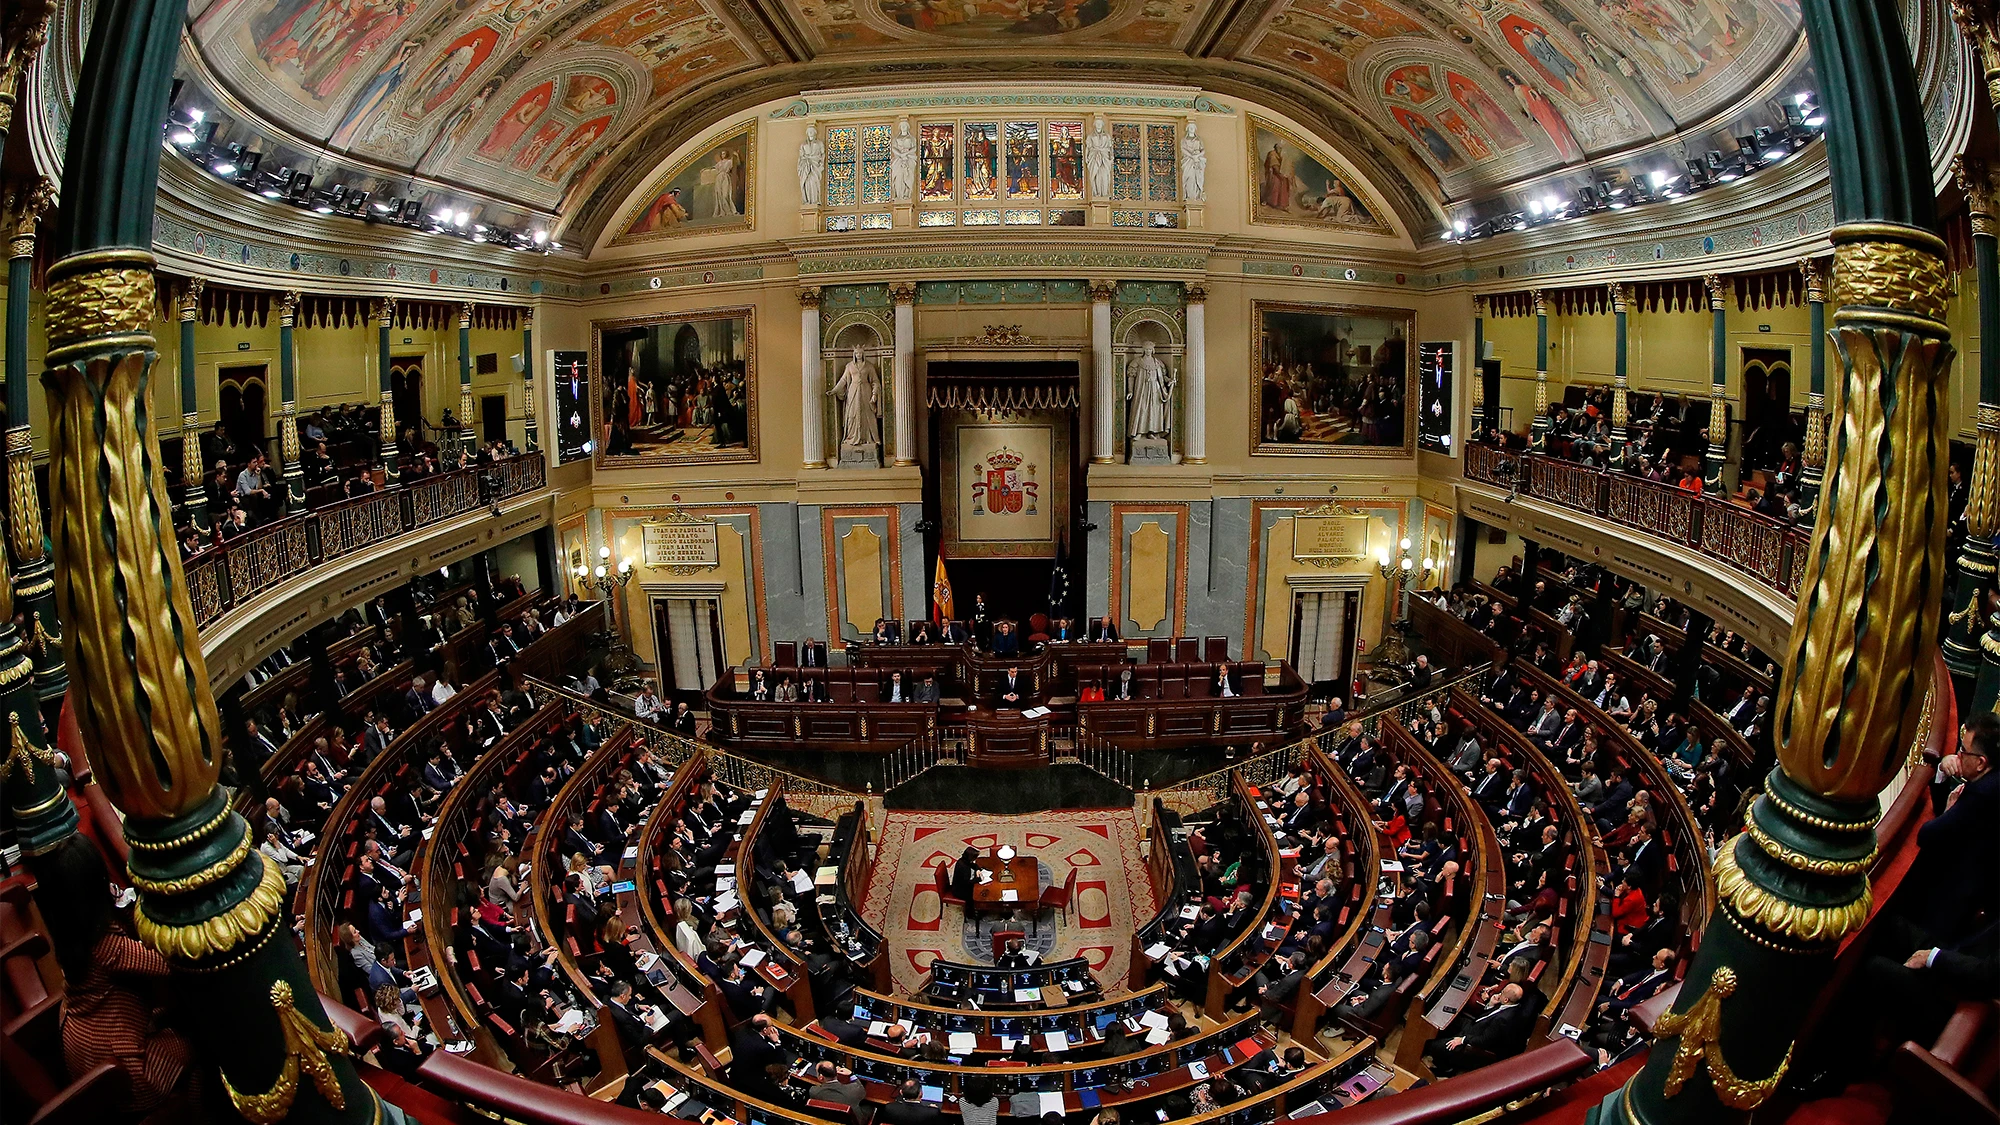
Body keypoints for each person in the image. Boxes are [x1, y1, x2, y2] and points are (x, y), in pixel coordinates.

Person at [876, 1079, 943, 1125]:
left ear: (901, 1092)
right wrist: (933, 1109)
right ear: (921, 1094)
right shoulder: (933, 1112)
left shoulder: (889, 1108)